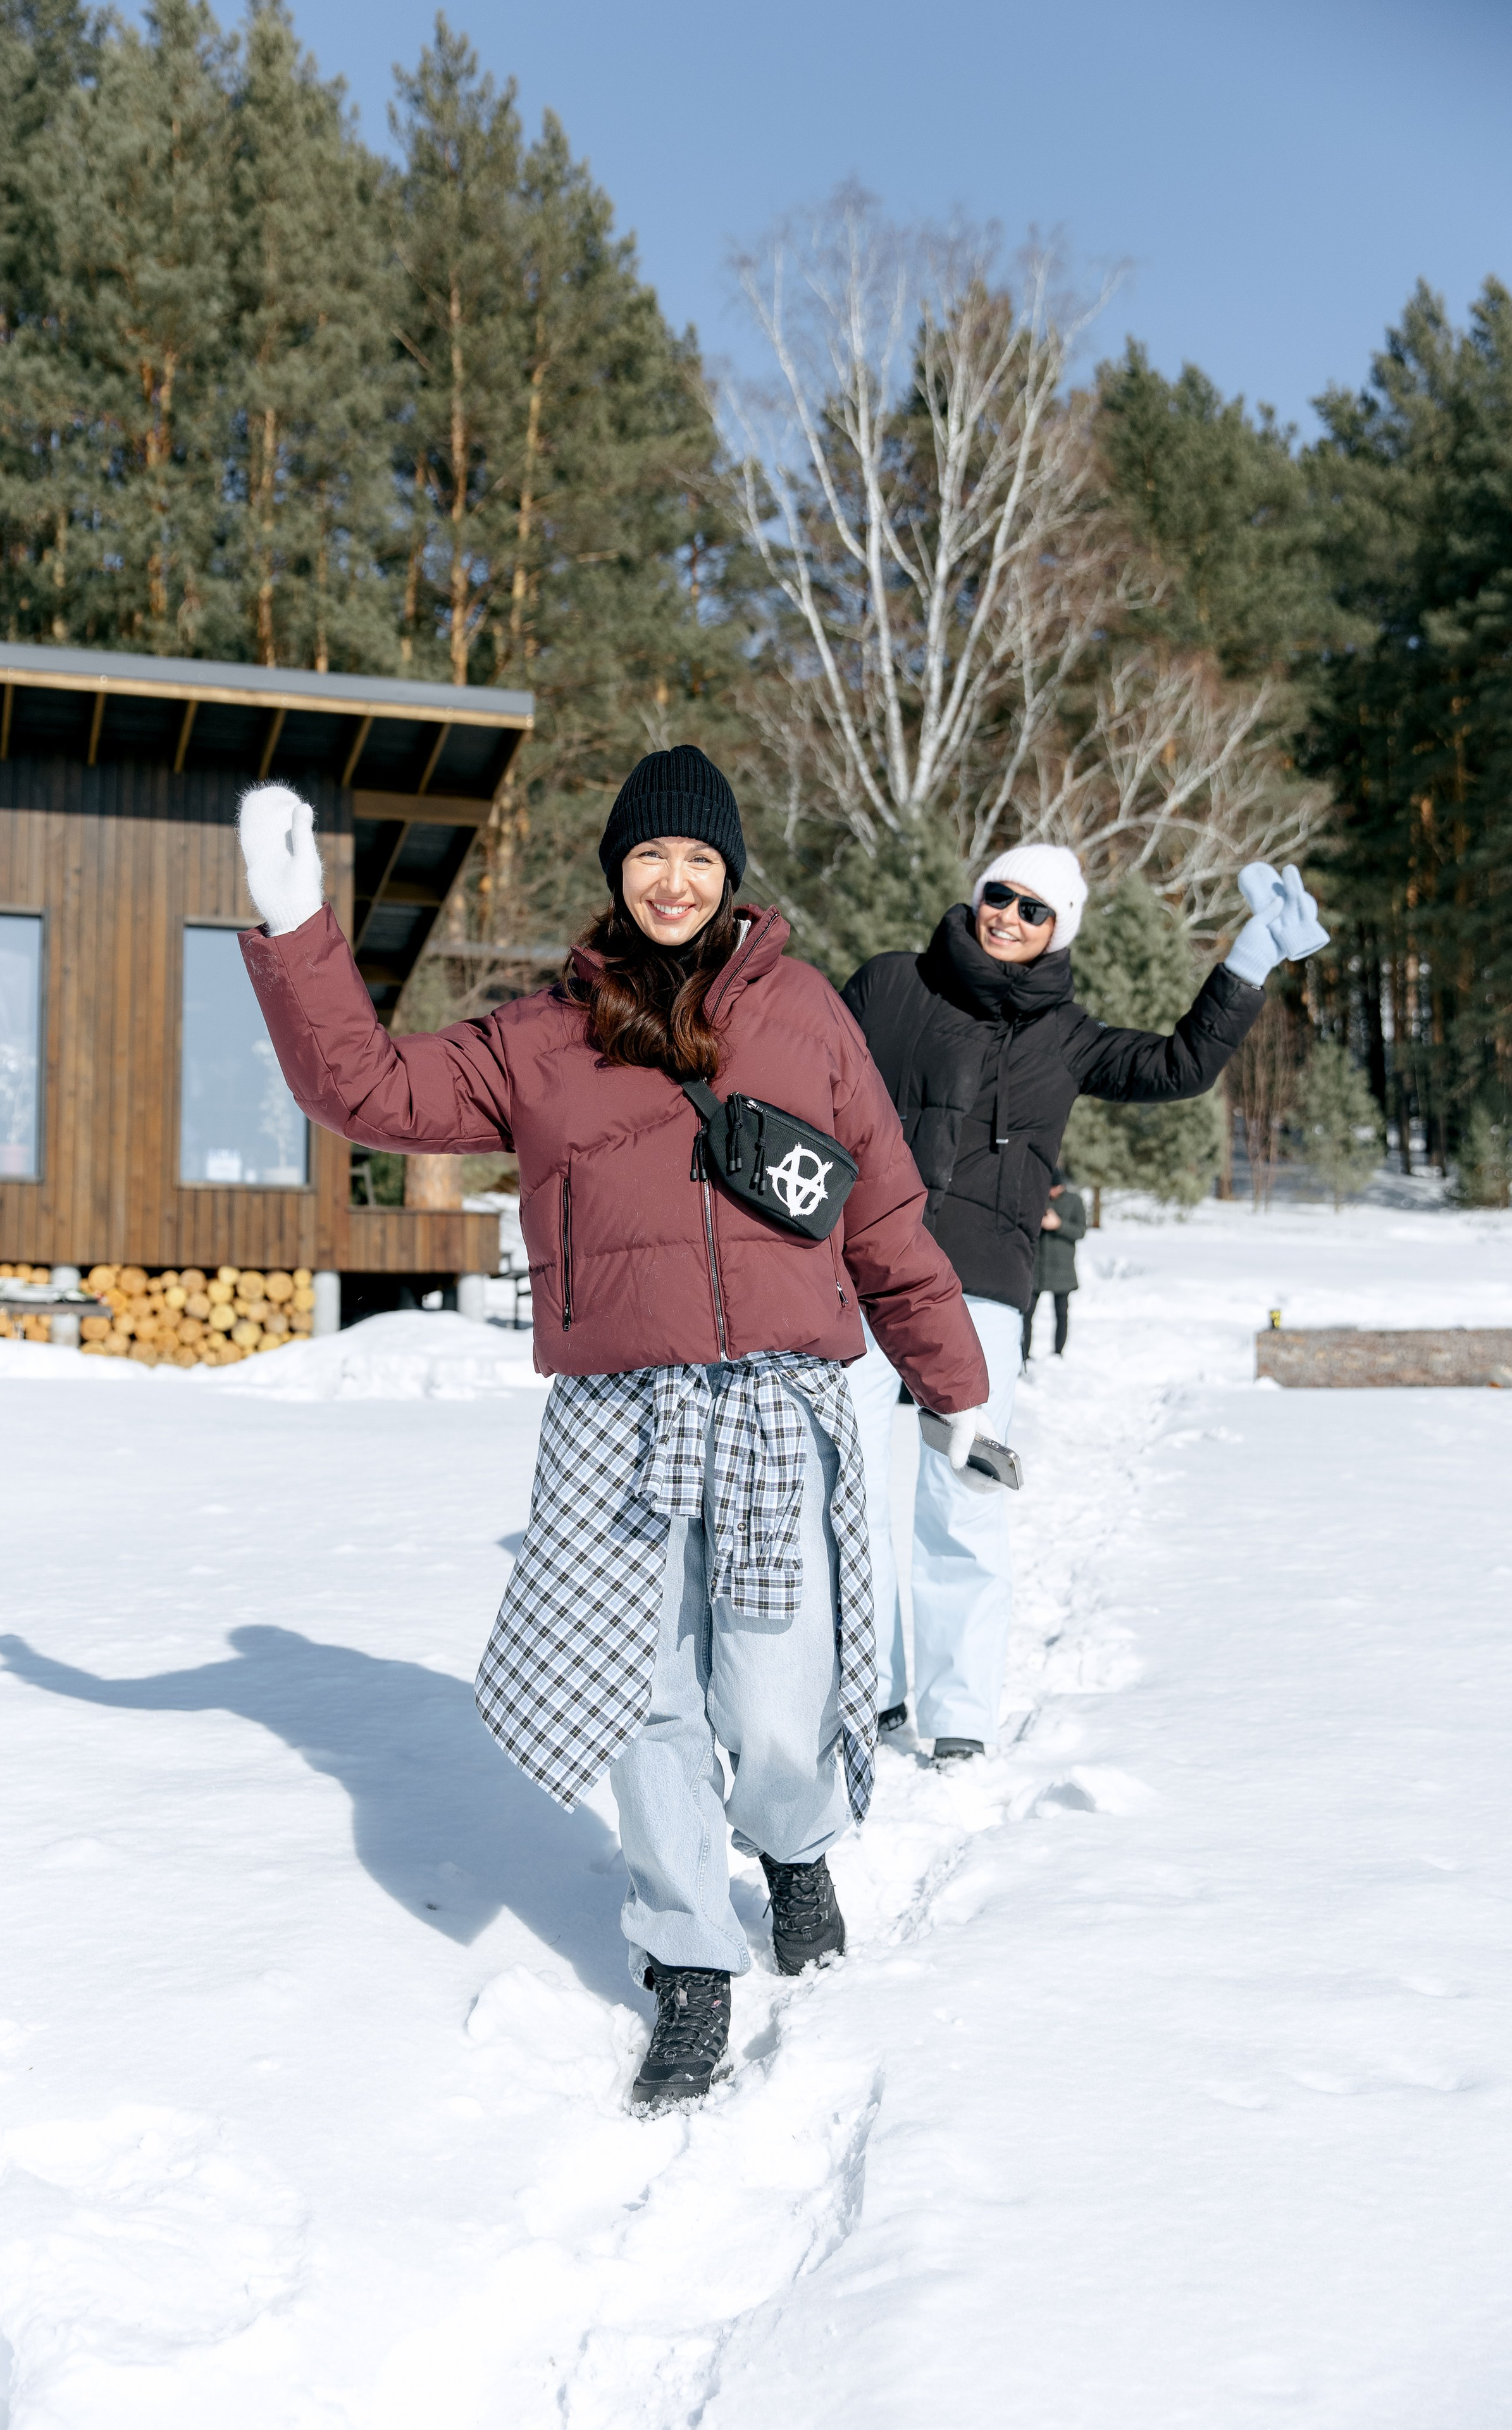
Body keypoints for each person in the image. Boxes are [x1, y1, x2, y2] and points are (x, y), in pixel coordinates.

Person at [235, 745, 988, 2112]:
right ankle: (688, 1958)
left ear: (729, 875)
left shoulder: (806, 1014)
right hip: (616, 1421)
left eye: (699, 858)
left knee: (776, 1697)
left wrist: (950, 1383)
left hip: (776, 1404)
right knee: (643, 1701)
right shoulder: (545, 1036)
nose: (674, 880)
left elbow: (880, 1211)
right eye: (651, 855)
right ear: (617, 870)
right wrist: (295, 930)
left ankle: (793, 1848)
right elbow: (370, 1090)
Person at [843, 844, 1329, 1764]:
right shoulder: (891, 985)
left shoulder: (1066, 1037)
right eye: (999, 896)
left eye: (1035, 909)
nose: (1009, 917)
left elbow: (1181, 1064)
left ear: (1059, 928)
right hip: (866, 1269)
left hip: (981, 1288)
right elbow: (804, 1066)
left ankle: (959, 1715)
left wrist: (1250, 959)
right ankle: (869, 1690)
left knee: (963, 1495)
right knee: (847, 1487)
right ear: (975, 895)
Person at [1022, 1167, 1086, 1363]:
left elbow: (1080, 1231)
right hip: (1038, 1268)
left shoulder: (1074, 1201)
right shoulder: (1036, 1199)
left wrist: (1059, 1225)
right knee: (1027, 1314)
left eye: (1056, 1187)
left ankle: (1058, 1353)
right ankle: (1024, 1355)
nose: (1053, 1191)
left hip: (1062, 1268)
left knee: (1061, 1314)